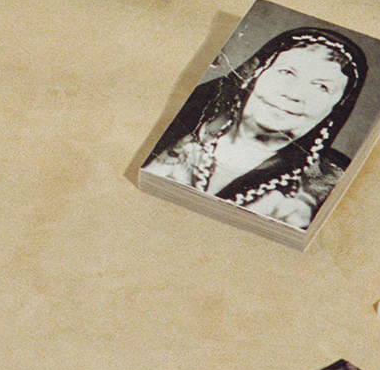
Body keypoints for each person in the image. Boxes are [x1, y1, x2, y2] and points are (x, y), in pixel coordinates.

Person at [146, 25, 367, 230]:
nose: (293, 94)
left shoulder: (336, 182)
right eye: (287, 72)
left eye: (321, 87)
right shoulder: (179, 120)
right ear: (254, 75)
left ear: (336, 107)